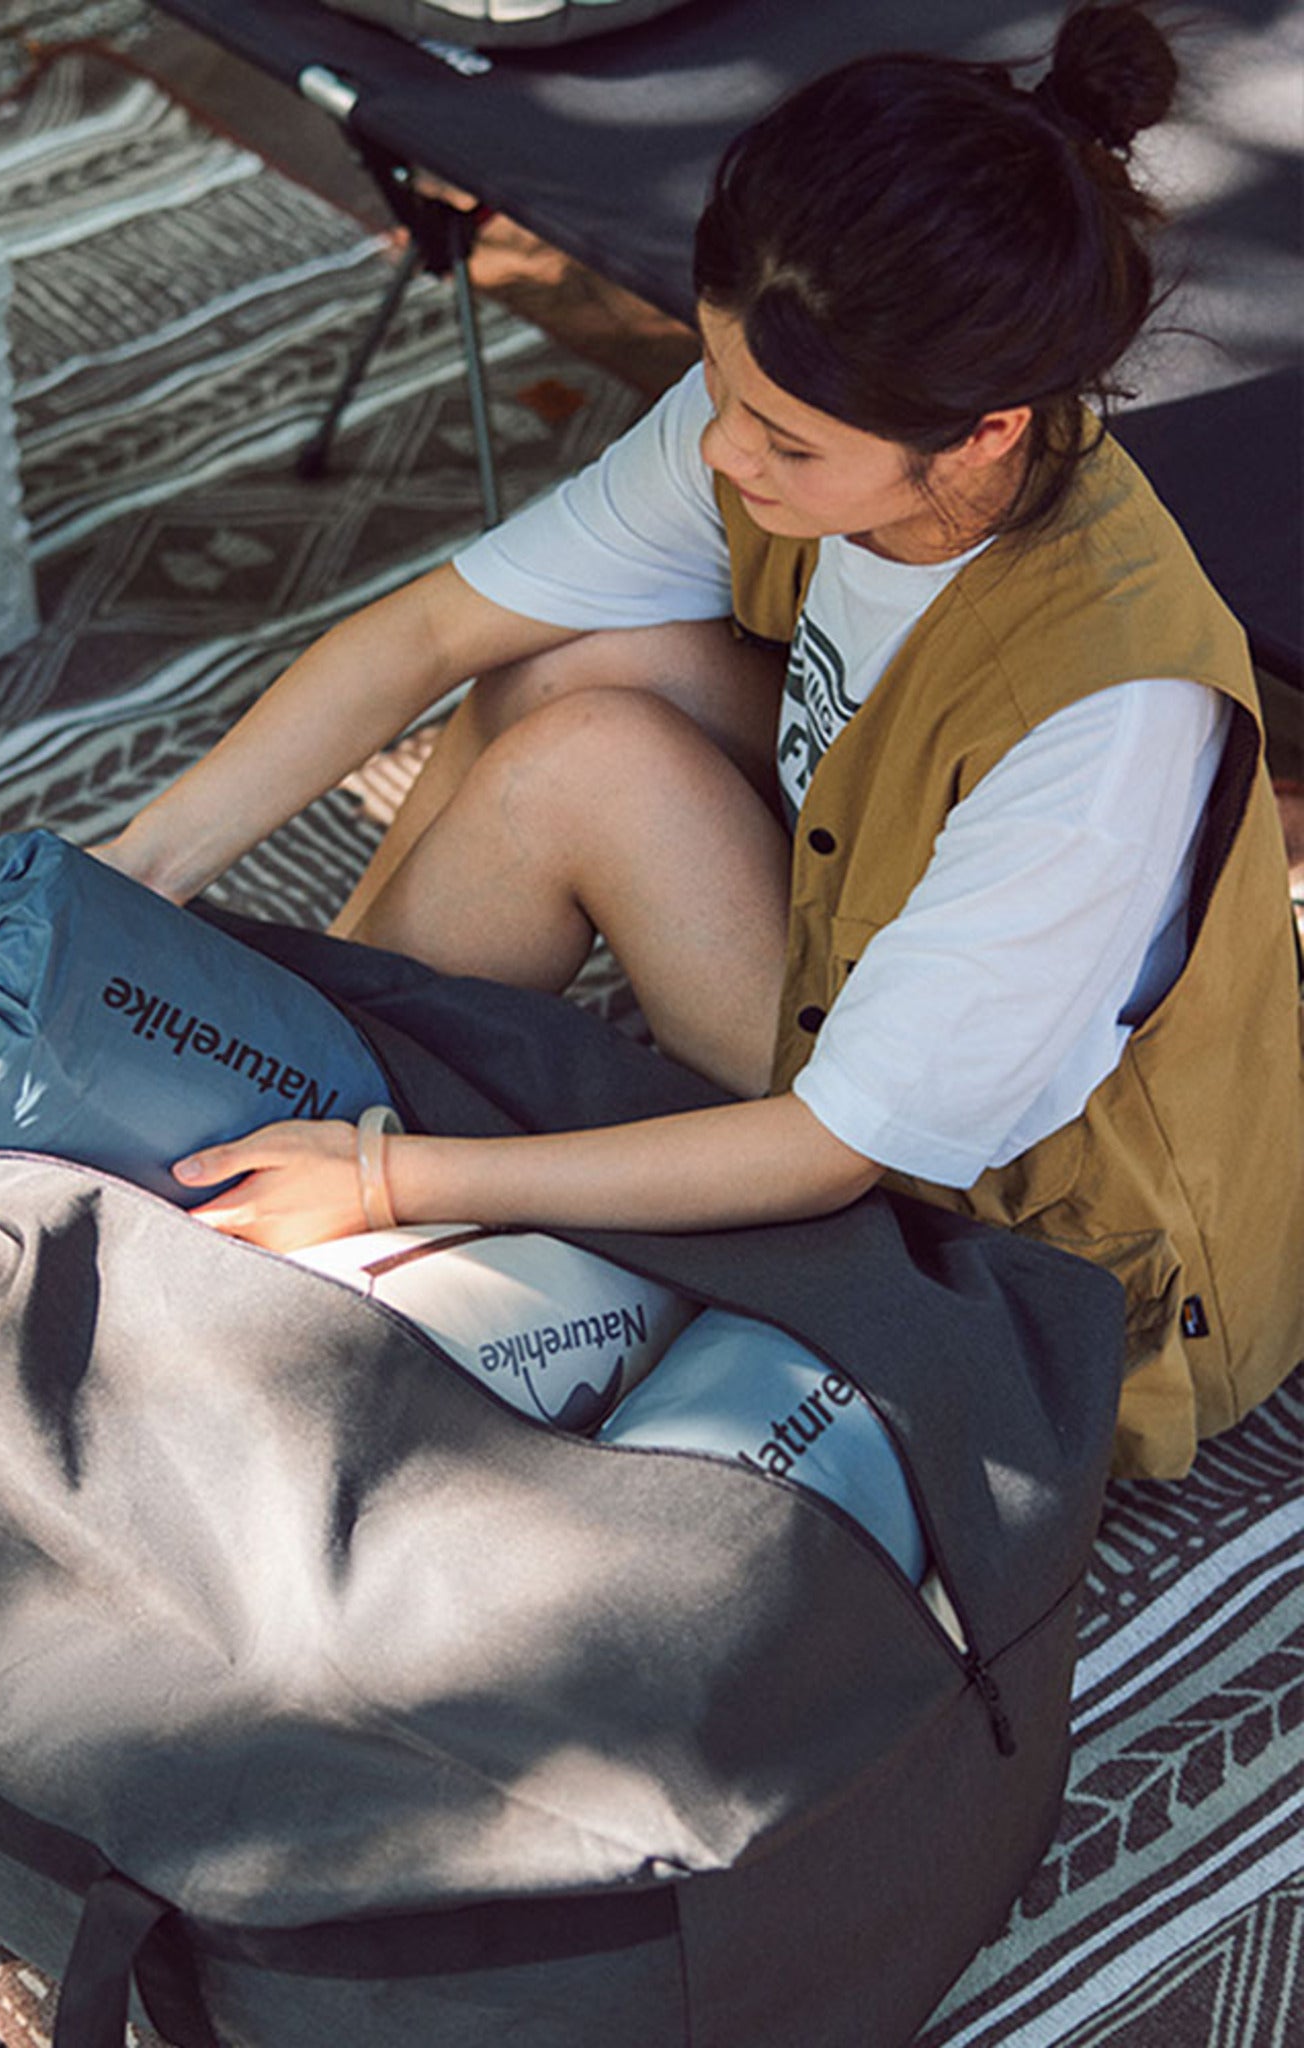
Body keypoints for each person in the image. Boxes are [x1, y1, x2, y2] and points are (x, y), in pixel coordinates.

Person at [92, 0, 1304, 1479]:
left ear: (989, 432)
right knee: (569, 665)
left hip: (1042, 1250)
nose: (728, 451)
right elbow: (434, 633)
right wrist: (131, 875)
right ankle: (279, 1095)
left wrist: (396, 1180)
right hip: (865, 932)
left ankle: (295, 1163)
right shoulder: (789, 405)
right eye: (723, 387)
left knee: (581, 762)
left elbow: (836, 1150)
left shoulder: (1107, 719)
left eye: (787, 442)